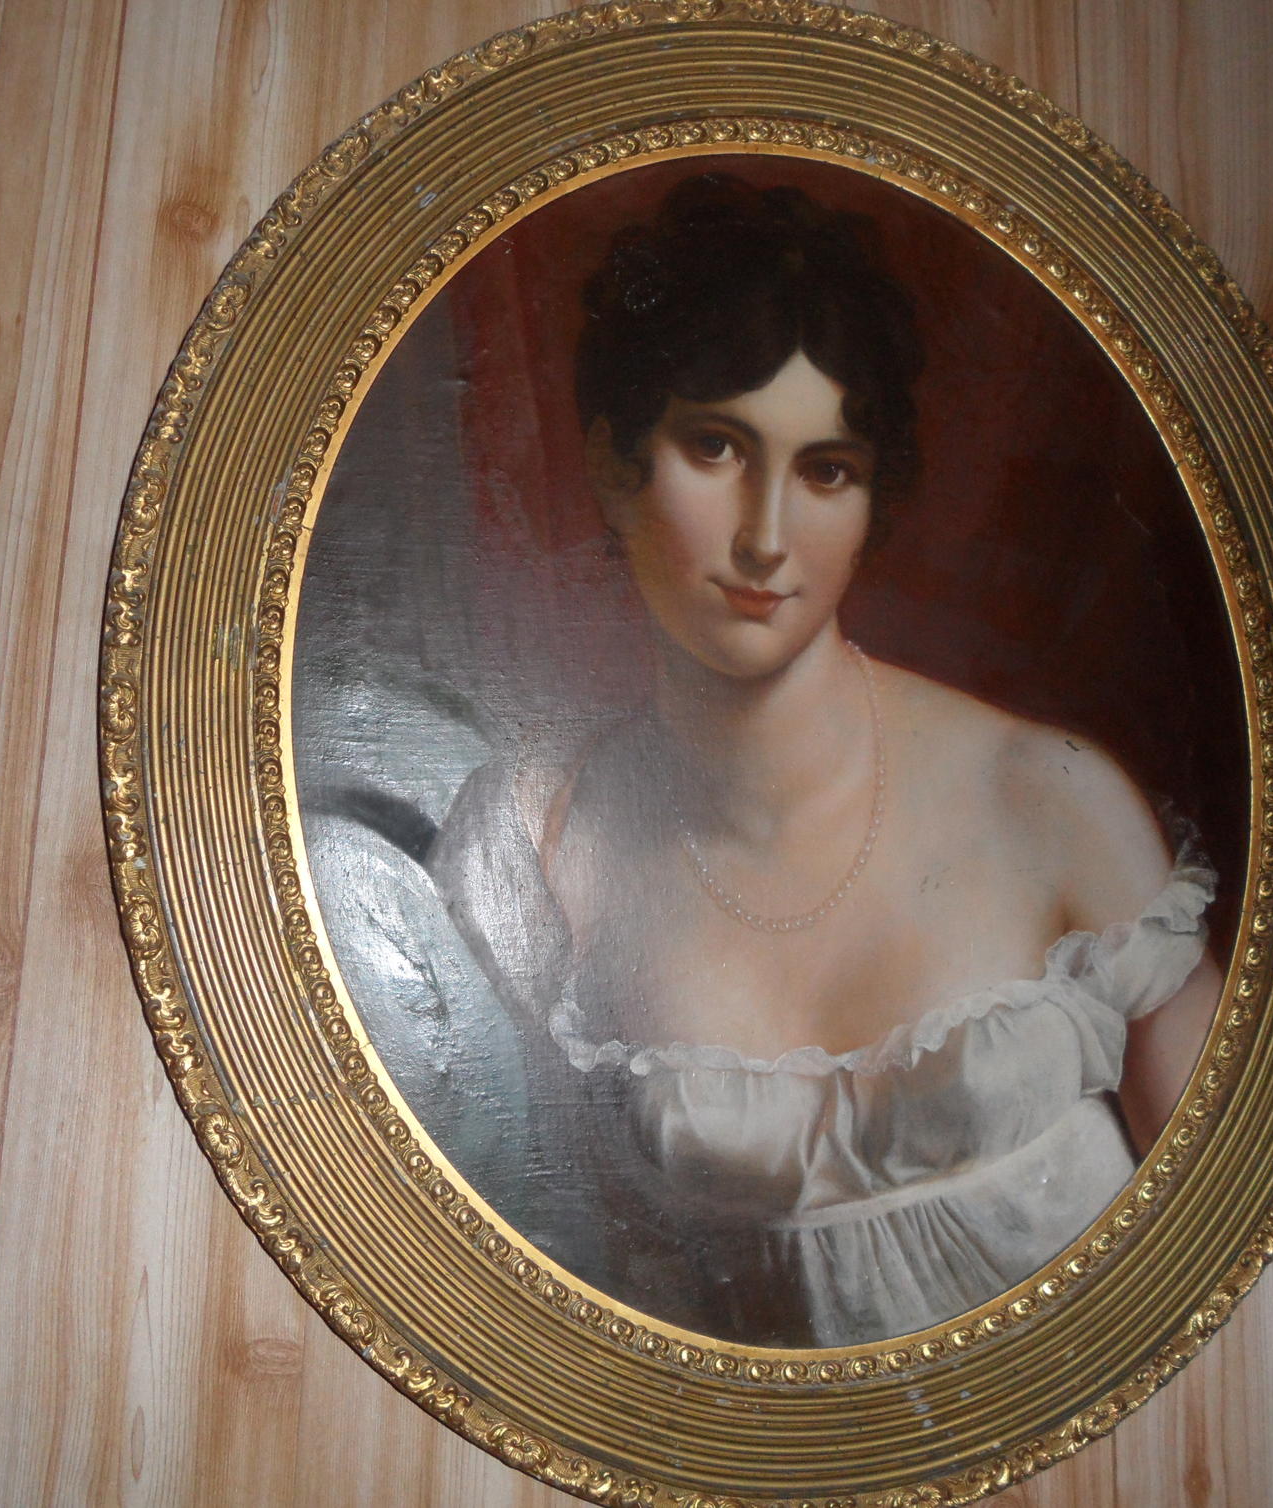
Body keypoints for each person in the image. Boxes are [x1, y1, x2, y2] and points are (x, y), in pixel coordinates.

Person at [429, 174, 1220, 1346]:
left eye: (824, 470)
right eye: (714, 446)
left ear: (870, 499)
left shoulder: (1049, 799)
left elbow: (1238, 1258)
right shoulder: (532, 838)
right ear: (611, 462)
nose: (765, 537)